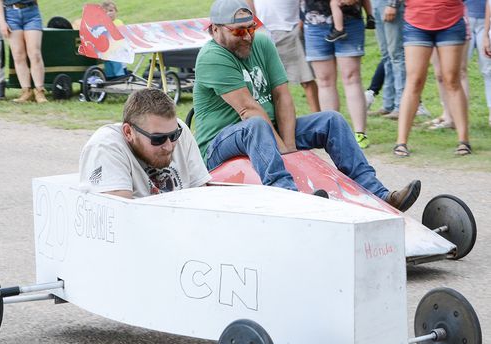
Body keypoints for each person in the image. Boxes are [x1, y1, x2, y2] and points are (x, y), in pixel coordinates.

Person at [193, 0, 421, 212]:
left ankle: (378, 195)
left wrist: (289, 145)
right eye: (238, 31)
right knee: (255, 125)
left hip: (265, 130)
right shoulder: (212, 56)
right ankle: (292, 199)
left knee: (331, 120)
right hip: (219, 144)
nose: (247, 37)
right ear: (215, 30)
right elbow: (248, 110)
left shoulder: (261, 42)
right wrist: (283, 150)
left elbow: (282, 94)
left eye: (250, 28)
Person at [79, 88, 211, 199]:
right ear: (128, 132)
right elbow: (118, 215)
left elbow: (201, 196)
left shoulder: (180, 129)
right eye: (158, 139)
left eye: (173, 135)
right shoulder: (106, 146)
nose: (169, 146)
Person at [395, 0, 471, 156]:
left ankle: (464, 141)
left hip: (451, 19)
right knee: (414, 81)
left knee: (452, 80)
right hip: (416, 20)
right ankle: (401, 142)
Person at [301, 0, 370, 149]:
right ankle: (332, 134)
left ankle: (360, 133)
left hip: (350, 21)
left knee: (351, 77)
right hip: (314, 22)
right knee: (324, 80)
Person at [246, 0, 320, 112]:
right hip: (262, 31)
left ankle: (318, 119)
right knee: (267, 85)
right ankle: (275, 122)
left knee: (306, 80)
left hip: (290, 29)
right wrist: (253, 25)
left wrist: (302, 21)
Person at [0, 0, 47, 103]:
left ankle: (40, 91)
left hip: (32, 13)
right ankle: (26, 91)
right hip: (11, 14)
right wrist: (2, 22)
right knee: (18, 55)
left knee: (35, 53)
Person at [100, 0, 127, 79]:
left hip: (117, 50)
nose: (109, 13)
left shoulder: (118, 22)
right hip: (106, 50)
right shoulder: (101, 24)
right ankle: (109, 77)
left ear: (116, 11)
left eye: (111, 10)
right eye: (106, 12)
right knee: (108, 65)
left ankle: (120, 77)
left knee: (117, 64)